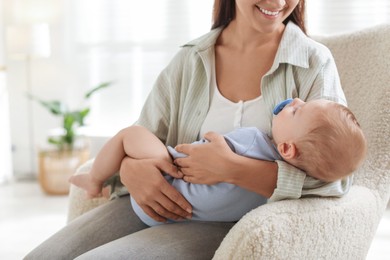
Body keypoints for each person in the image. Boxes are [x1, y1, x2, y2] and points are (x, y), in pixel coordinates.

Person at [25, 0, 354, 259]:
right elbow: (144, 134)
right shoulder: (190, 61)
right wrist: (129, 170)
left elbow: (336, 176)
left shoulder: (313, 62)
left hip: (231, 223)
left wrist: (234, 169)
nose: (278, 1)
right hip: (161, 201)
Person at [69, 98, 366, 226]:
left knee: (129, 135)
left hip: (166, 186)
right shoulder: (270, 193)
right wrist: (131, 171)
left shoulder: (252, 140)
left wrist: (150, 161)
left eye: (296, 112)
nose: (296, 101)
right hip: (177, 216)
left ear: (287, 149)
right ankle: (114, 181)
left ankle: (96, 181)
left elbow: (196, 156)